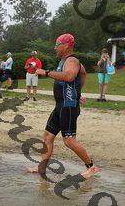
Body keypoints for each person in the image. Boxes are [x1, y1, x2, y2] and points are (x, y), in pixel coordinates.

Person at [28, 33, 99, 179]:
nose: (55, 48)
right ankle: (41, 168)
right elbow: (83, 74)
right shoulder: (64, 61)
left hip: (69, 106)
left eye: (57, 45)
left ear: (66, 46)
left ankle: (91, 167)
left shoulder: (72, 60)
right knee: (48, 136)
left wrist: (46, 73)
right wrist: (78, 92)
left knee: (69, 141)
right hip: (60, 106)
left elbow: (69, 76)